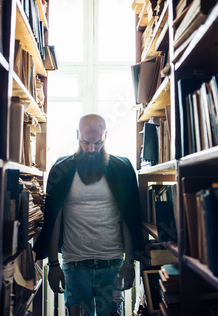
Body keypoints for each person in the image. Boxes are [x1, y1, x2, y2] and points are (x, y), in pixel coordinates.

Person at [33, 113, 145, 316]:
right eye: (86, 143)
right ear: (77, 135)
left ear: (106, 136)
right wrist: (53, 264)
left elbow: (129, 219)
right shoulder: (62, 168)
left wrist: (129, 263)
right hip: (74, 266)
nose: (92, 149)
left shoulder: (122, 168)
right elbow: (54, 221)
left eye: (97, 142)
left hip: (112, 265)